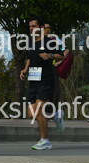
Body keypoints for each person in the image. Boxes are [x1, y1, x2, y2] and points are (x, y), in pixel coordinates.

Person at [20, 17, 64, 150]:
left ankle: (45, 141)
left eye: (33, 26)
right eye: (30, 26)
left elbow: (61, 55)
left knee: (39, 111)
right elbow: (29, 57)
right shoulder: (30, 41)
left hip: (45, 79)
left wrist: (50, 55)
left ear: (41, 27)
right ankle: (55, 116)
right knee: (31, 113)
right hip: (33, 78)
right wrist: (25, 69)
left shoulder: (48, 41)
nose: (31, 29)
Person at [43, 23, 68, 133]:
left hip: (50, 68)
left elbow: (65, 51)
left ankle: (52, 114)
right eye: (44, 28)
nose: (47, 30)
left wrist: (58, 62)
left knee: (53, 91)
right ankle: (49, 115)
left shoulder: (54, 38)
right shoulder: (35, 39)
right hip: (38, 69)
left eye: (49, 28)